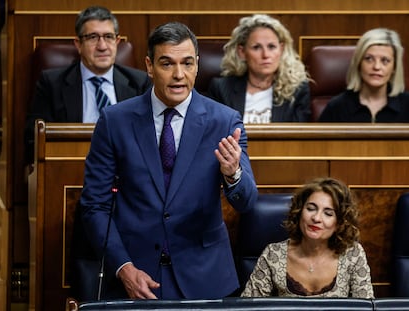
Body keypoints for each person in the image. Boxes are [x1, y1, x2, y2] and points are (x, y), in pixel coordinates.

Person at [77, 21, 258, 300]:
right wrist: (123, 267)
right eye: (166, 64)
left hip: (204, 276)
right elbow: (94, 205)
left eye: (187, 63)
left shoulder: (225, 120)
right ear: (149, 66)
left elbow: (246, 202)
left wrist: (232, 173)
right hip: (135, 274)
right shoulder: (115, 121)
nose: (178, 75)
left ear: (197, 65)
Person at [24, 5, 151, 164]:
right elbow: (33, 137)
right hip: (72, 168)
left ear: (117, 41)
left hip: (127, 170)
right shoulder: (52, 83)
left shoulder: (139, 83)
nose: (102, 46)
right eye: (93, 37)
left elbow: (151, 136)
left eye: (108, 37)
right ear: (78, 44)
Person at [241, 177, 374, 298]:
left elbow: (366, 309)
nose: (316, 218)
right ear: (299, 212)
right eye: (311, 208)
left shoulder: (353, 254)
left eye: (328, 213)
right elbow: (248, 307)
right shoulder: (273, 254)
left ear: (339, 223)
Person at [207, 14, 311, 123]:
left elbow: (299, 137)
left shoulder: (297, 90)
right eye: (256, 47)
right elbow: (213, 132)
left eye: (271, 47)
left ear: (281, 49)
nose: (266, 55)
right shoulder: (222, 89)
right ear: (242, 52)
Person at [318, 28, 409, 122]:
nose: (377, 67)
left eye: (385, 60)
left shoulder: (407, 105)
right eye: (369, 59)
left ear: (394, 67)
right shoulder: (337, 107)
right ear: (359, 63)